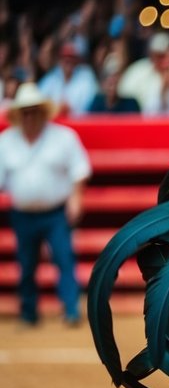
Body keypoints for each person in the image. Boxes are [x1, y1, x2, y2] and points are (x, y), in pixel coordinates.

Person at [0, 84, 90, 326]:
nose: (29, 116)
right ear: (19, 114)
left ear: (42, 111)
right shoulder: (5, 142)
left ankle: (71, 310)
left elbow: (79, 171)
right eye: (25, 111)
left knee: (64, 259)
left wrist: (76, 199)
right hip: (23, 213)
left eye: (33, 110)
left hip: (56, 212)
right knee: (27, 264)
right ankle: (29, 312)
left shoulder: (63, 137)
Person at [37, 42, 98, 116]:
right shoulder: (52, 77)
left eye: (71, 58)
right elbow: (39, 100)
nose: (68, 62)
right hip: (54, 122)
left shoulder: (86, 76)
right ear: (60, 60)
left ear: (76, 60)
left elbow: (91, 106)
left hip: (78, 123)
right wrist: (56, 108)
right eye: (65, 59)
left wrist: (71, 109)